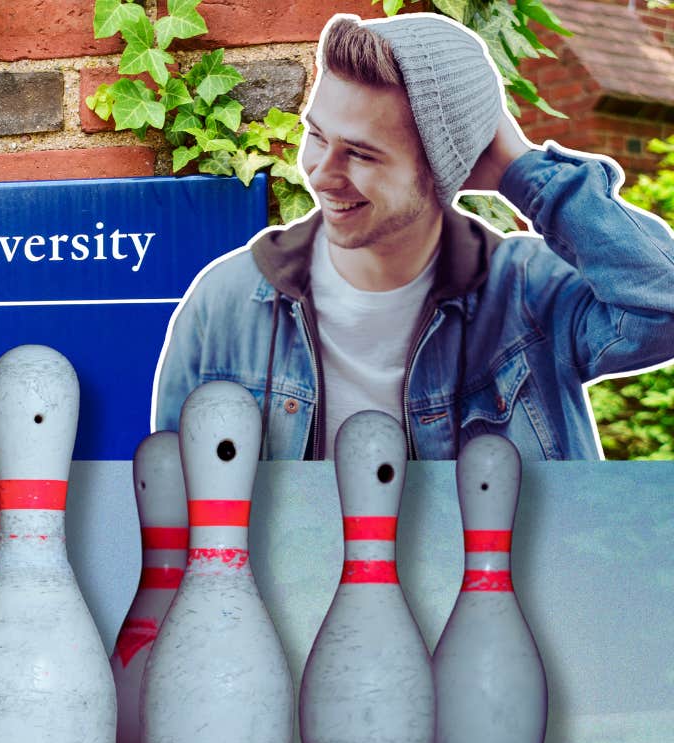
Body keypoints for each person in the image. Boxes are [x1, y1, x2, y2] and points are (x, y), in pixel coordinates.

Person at [151, 12, 674, 460]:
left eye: (360, 153)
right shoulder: (225, 303)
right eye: (316, 135)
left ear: (441, 174)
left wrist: (520, 168)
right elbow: (179, 509)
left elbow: (662, 307)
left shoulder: (527, 294)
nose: (321, 173)